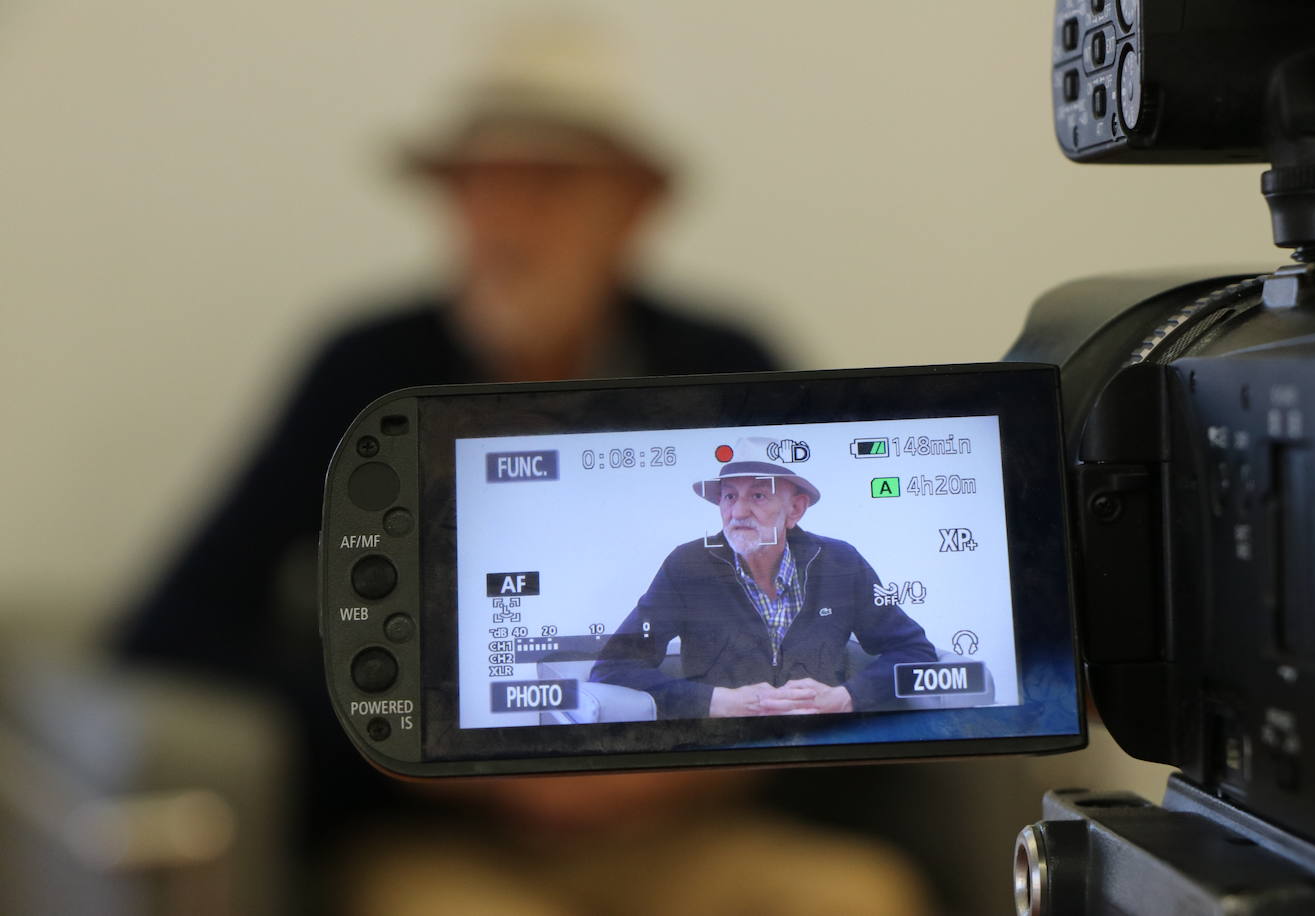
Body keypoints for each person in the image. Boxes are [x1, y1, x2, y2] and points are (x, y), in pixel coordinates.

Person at [114, 22, 779, 861]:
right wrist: (420, 750)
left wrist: (687, 765)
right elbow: (176, 623)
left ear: (633, 209)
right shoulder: (368, 372)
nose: (503, 221)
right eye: (476, 186)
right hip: (443, 841)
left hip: (690, 833)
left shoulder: (724, 365)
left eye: (548, 184)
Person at [591, 436, 939, 719]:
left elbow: (914, 651)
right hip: (723, 751)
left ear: (795, 509)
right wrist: (714, 702)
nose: (738, 512)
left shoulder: (840, 563)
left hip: (827, 745)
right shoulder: (687, 566)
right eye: (730, 496)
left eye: (758, 495)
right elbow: (614, 667)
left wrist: (848, 696)